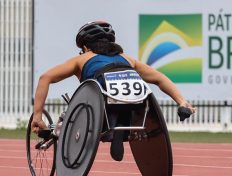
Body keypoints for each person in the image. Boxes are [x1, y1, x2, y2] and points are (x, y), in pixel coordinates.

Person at [31, 21, 196, 161]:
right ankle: (119, 126)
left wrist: (37, 116)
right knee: (118, 100)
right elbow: (160, 78)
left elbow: (45, 78)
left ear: (86, 46)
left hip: (99, 106)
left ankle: (64, 127)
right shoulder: (127, 59)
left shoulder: (82, 59)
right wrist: (182, 102)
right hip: (135, 107)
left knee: (76, 109)